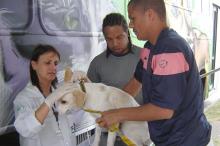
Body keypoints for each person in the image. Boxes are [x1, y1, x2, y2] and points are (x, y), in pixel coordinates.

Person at [97, 0, 212, 146]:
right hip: (168, 139)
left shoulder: (170, 49)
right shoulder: (150, 47)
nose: (131, 25)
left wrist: (118, 115)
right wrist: (110, 109)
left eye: (133, 18)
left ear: (150, 14)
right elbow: (135, 83)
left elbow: (163, 110)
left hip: (186, 140)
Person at [13, 45, 76, 146]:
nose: (53, 68)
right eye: (47, 63)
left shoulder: (59, 91)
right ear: (34, 65)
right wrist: (50, 99)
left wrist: (84, 84)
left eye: (55, 63)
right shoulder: (23, 98)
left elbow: (78, 108)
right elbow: (26, 129)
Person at [87, 13, 143, 105]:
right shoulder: (96, 63)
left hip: (145, 117)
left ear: (127, 33)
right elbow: (91, 98)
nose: (115, 43)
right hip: (111, 118)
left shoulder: (145, 56)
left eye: (119, 37)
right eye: (109, 39)